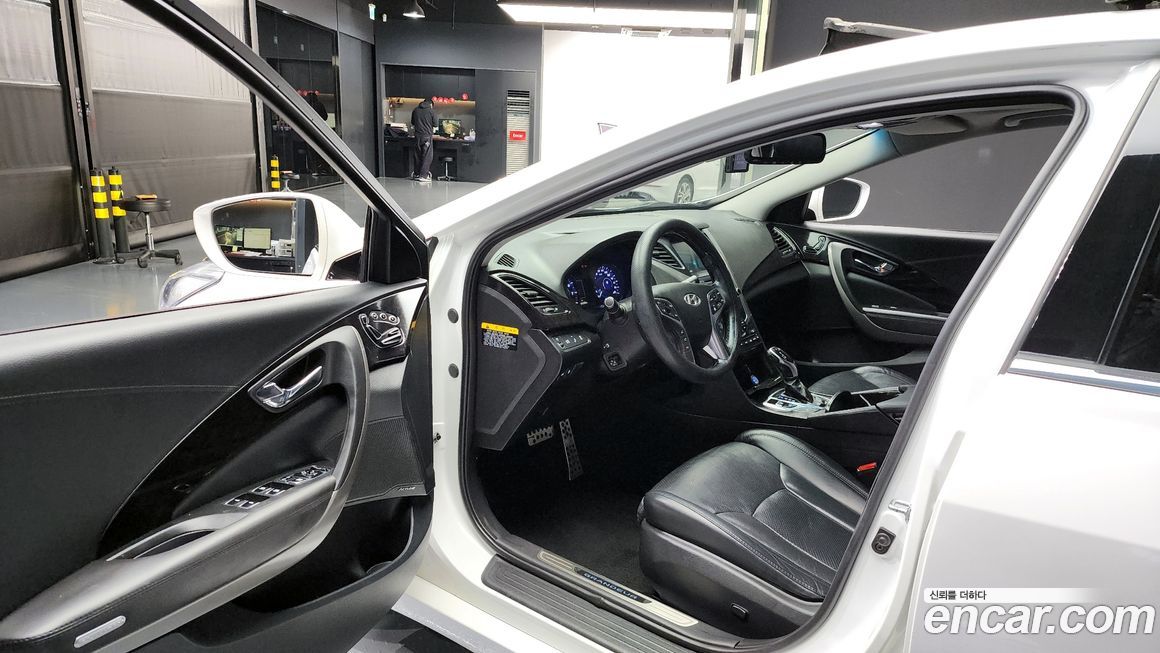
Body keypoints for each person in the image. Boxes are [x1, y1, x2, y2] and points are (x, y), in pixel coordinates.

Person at [410, 98, 436, 182]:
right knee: (427, 156)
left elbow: (412, 122)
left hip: (417, 136)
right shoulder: (431, 111)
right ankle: (424, 176)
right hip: (427, 136)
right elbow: (435, 124)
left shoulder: (415, 110)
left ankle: (416, 174)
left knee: (417, 155)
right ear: (431, 104)